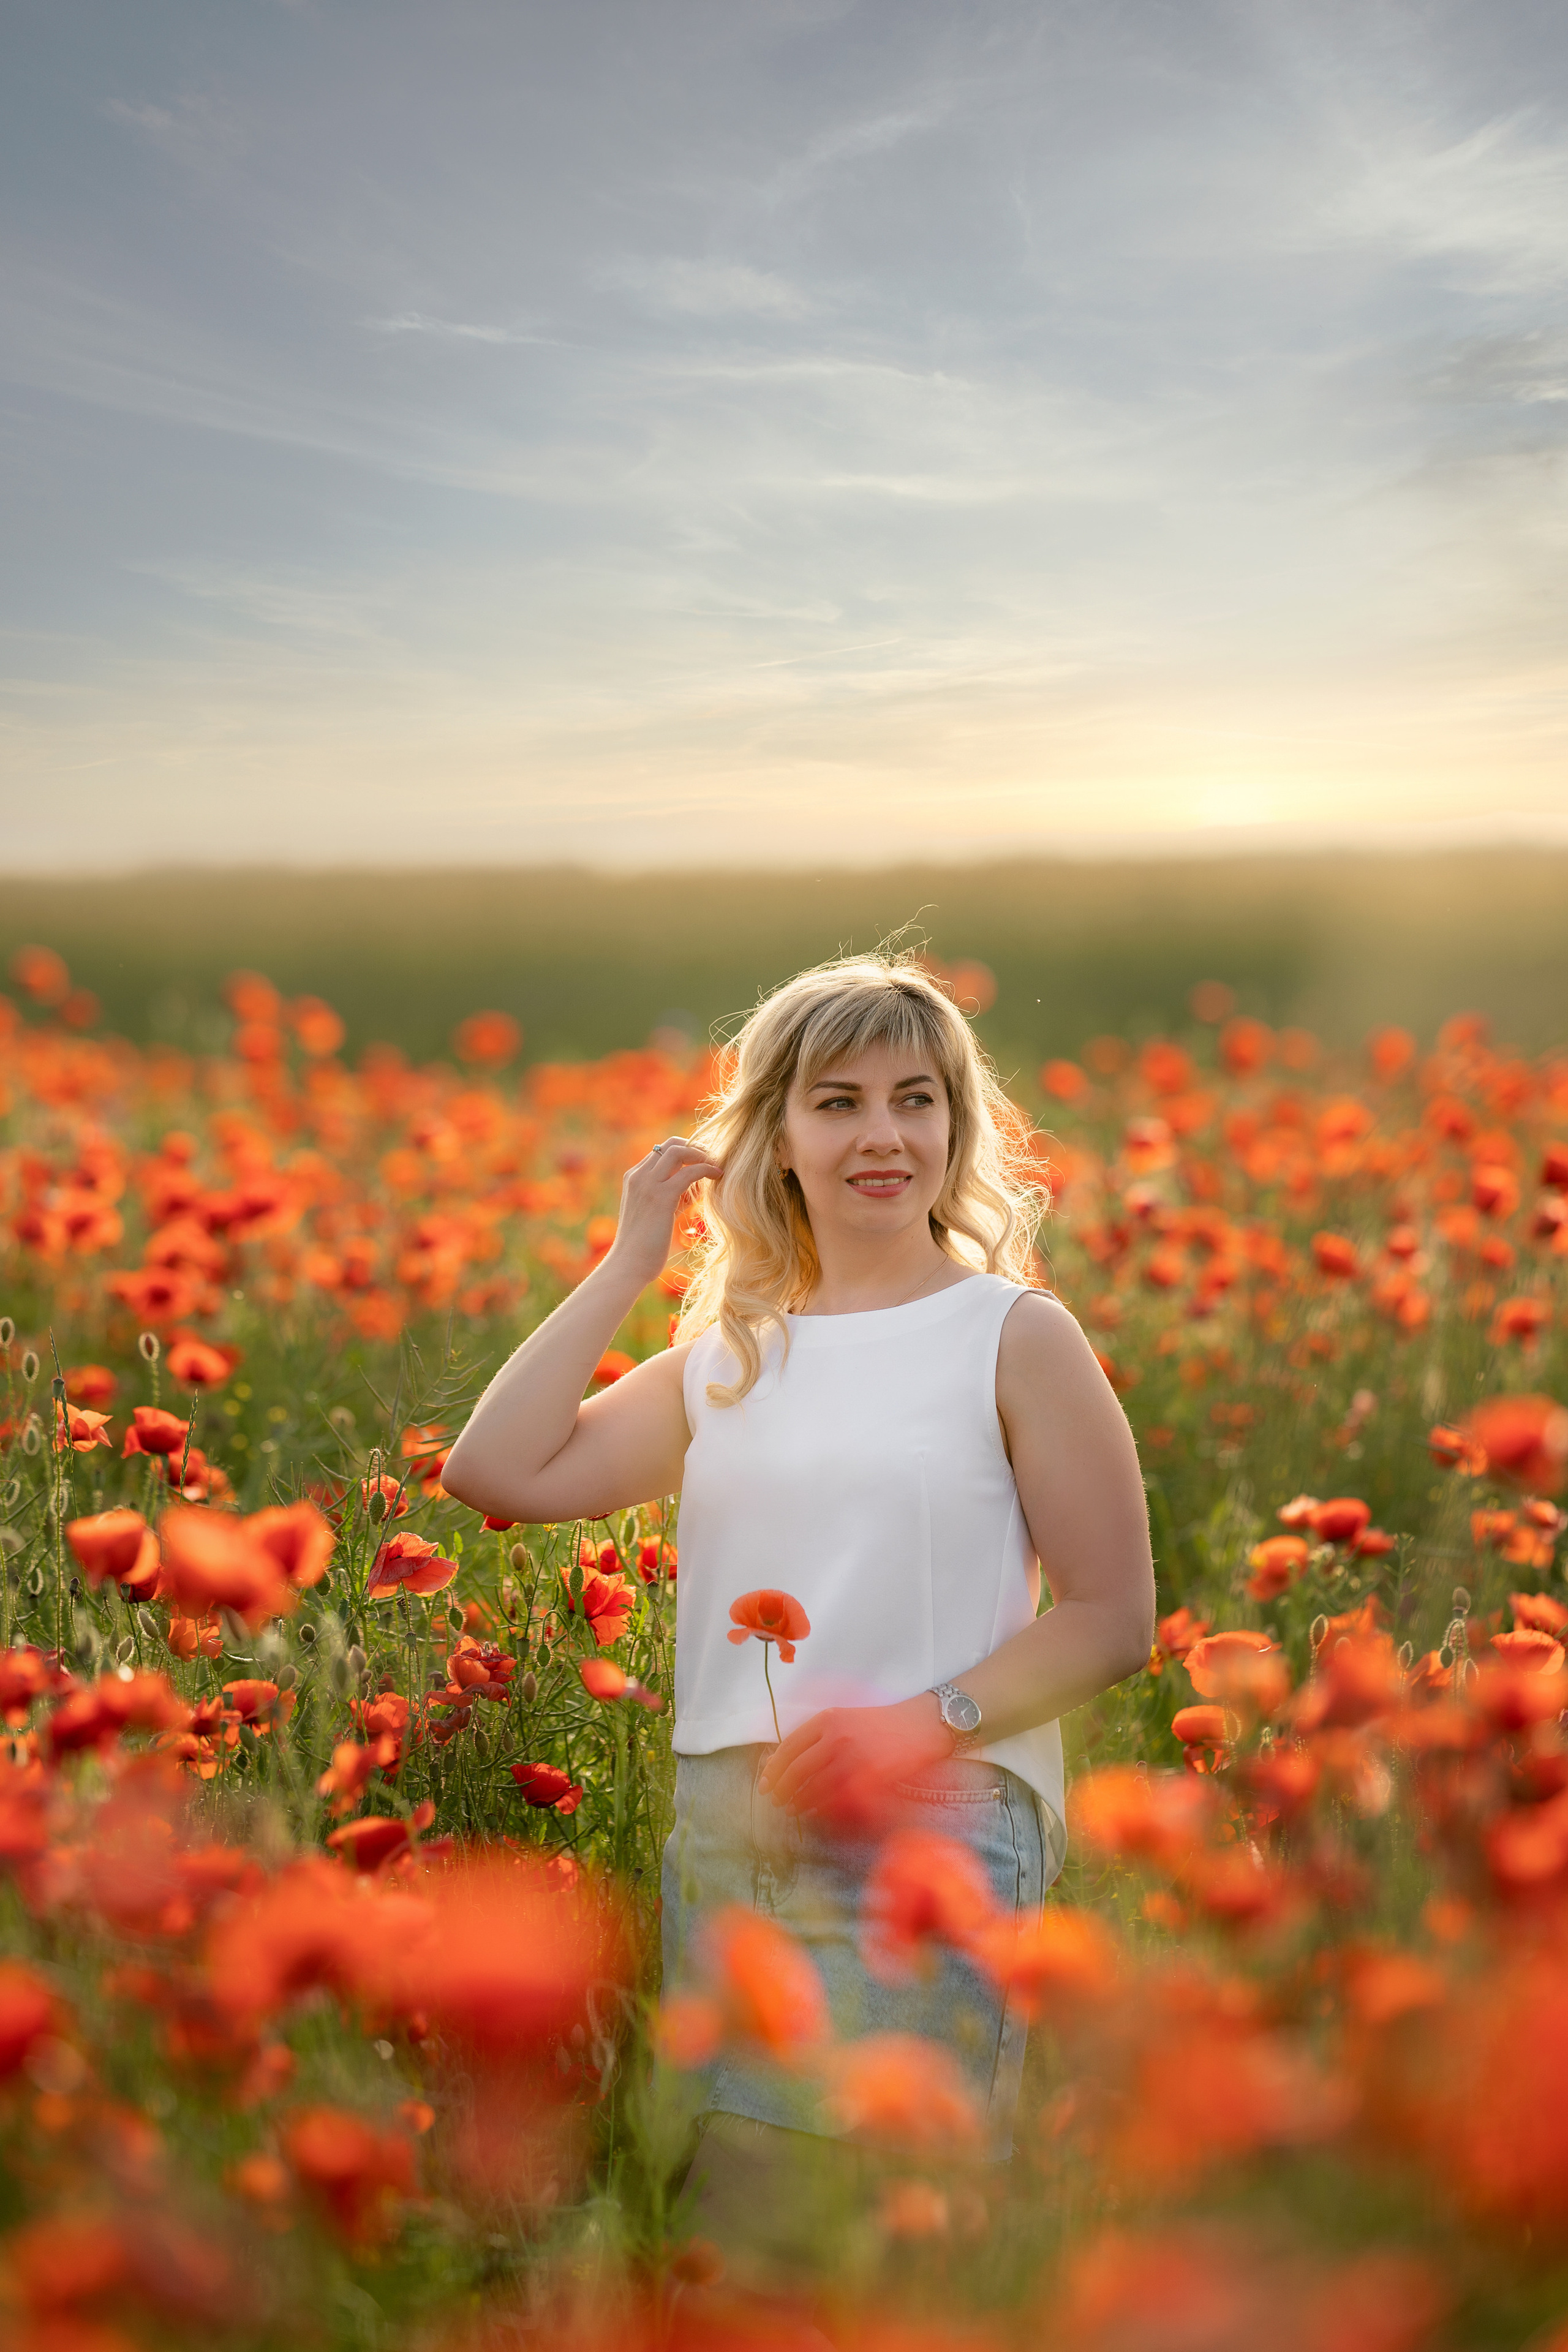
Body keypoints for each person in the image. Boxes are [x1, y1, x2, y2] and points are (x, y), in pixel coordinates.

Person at [441, 952, 1153, 2248]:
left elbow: (1111, 1617)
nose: (881, 1135)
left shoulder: (1012, 1334)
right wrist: (626, 1264)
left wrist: (918, 1724)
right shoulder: (727, 1355)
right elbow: (493, 1469)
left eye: (914, 1098)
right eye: (835, 1103)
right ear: (770, 1135)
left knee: (875, 2249)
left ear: (956, 1124)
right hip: (728, 1832)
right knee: (734, 2248)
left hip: (925, 1821)